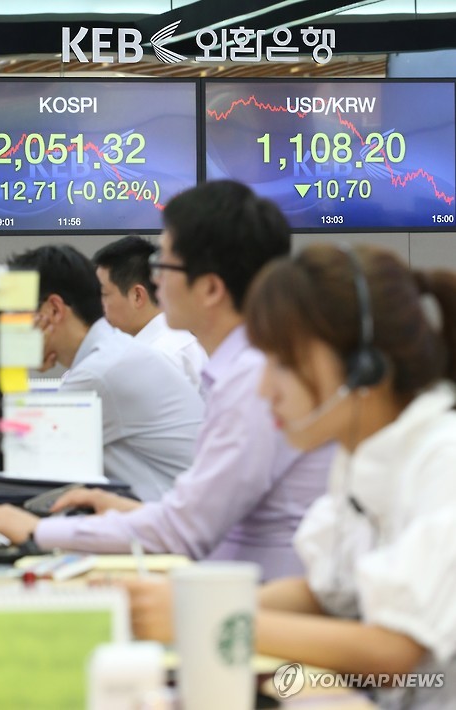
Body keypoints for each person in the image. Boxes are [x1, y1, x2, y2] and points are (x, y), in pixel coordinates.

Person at [114, 244, 456, 709]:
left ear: (363, 368)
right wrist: (187, 604)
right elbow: (324, 592)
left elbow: (393, 652)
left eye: (284, 364)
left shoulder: (441, 459)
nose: (264, 388)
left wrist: (204, 620)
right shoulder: (363, 456)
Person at [0, 181, 333, 581]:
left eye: (163, 265)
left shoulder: (251, 382)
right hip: (232, 574)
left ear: (210, 288)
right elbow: (198, 517)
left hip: (252, 590)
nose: (154, 282)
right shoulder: (240, 370)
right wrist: (124, 511)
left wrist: (37, 531)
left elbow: (188, 530)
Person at [4, 244, 205, 501]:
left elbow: (22, 458)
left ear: (53, 310)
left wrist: (10, 364)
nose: (11, 328)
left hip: (174, 519)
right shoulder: (112, 353)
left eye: (17, 314)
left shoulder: (99, 374)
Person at [93, 236, 207, 391]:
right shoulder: (167, 345)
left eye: (104, 294)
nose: (99, 305)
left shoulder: (160, 356)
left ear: (137, 296)